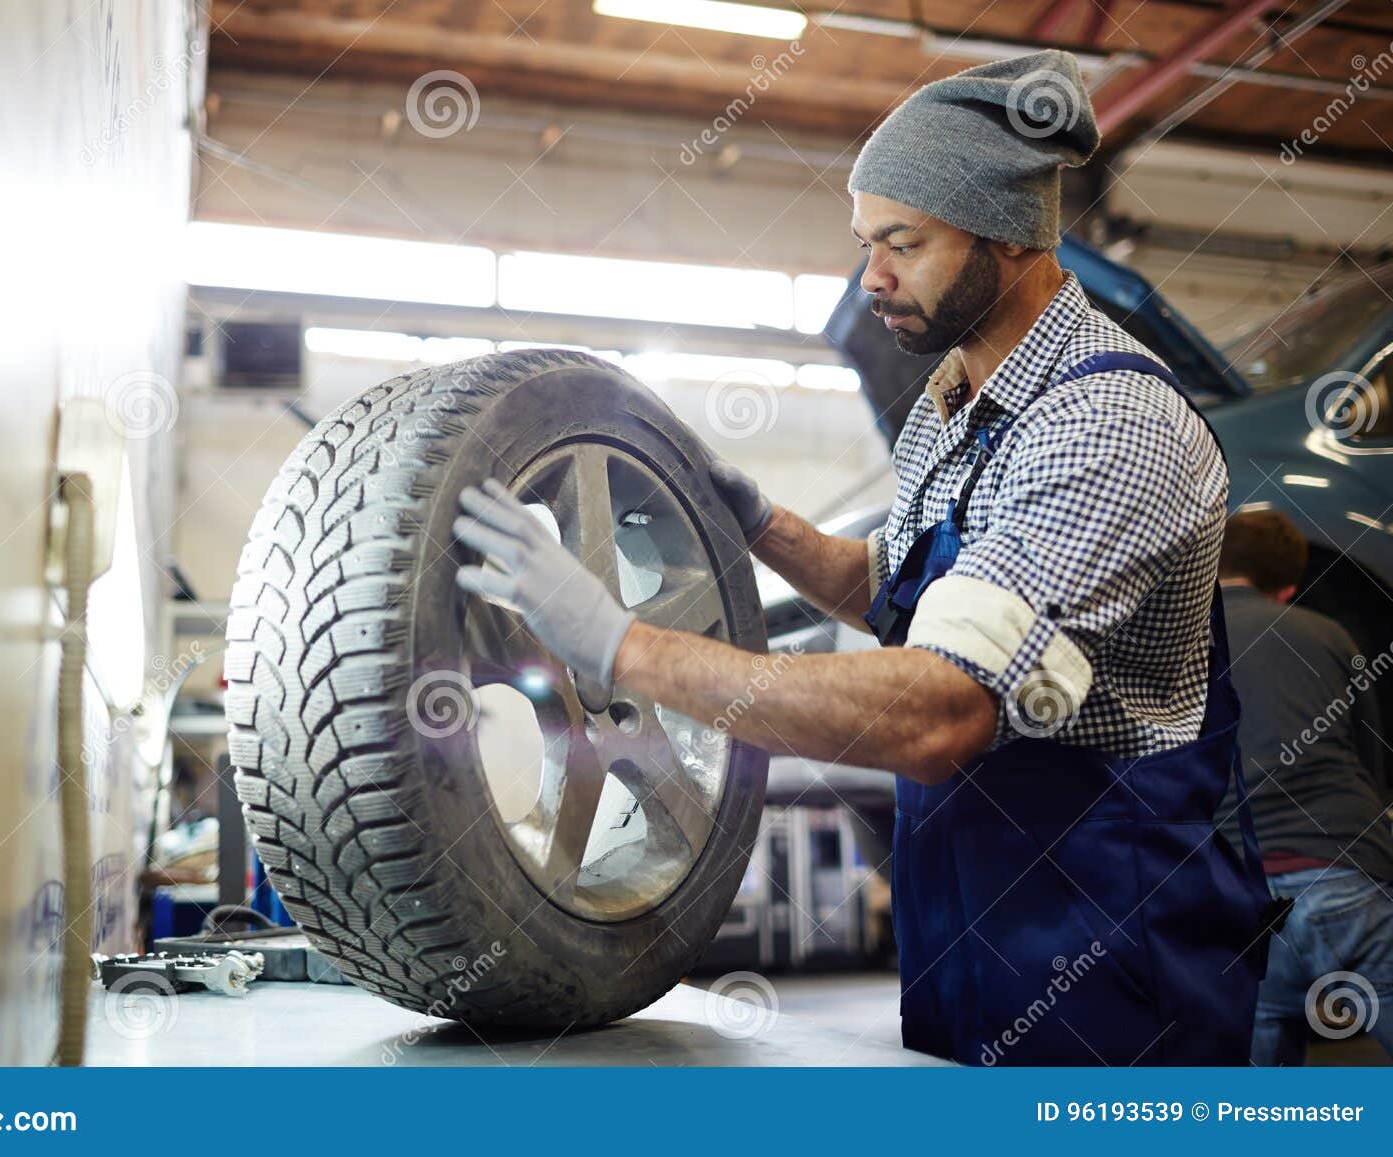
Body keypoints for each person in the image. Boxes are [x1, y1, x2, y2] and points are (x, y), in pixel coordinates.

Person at [448, 50, 1276, 1065]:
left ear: (1008, 234)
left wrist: (623, 647)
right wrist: (764, 524)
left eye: (903, 243)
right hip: (968, 933)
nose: (871, 277)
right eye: (864, 243)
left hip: (1113, 951)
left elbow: (941, 711)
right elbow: (906, 592)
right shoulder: (950, 402)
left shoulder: (1107, 422)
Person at [1214, 509, 1393, 1064]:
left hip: (1243, 902)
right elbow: (1373, 763)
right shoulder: (1328, 634)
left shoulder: (1180, 645)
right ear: (1288, 589)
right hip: (1344, 873)